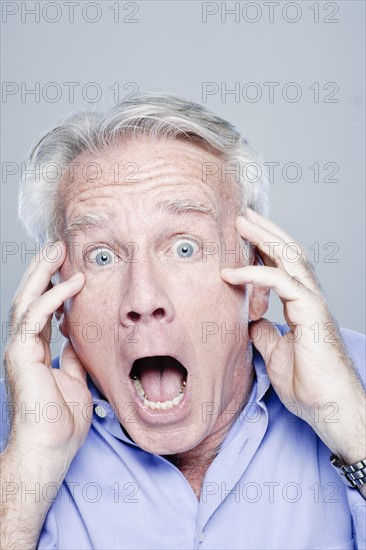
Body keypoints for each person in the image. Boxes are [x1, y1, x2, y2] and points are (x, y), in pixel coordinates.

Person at [1, 93, 365, 550]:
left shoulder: (354, 380)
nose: (143, 298)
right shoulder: (18, 424)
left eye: (184, 248)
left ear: (259, 279)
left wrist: (353, 426)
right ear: (58, 304)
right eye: (102, 256)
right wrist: (28, 469)